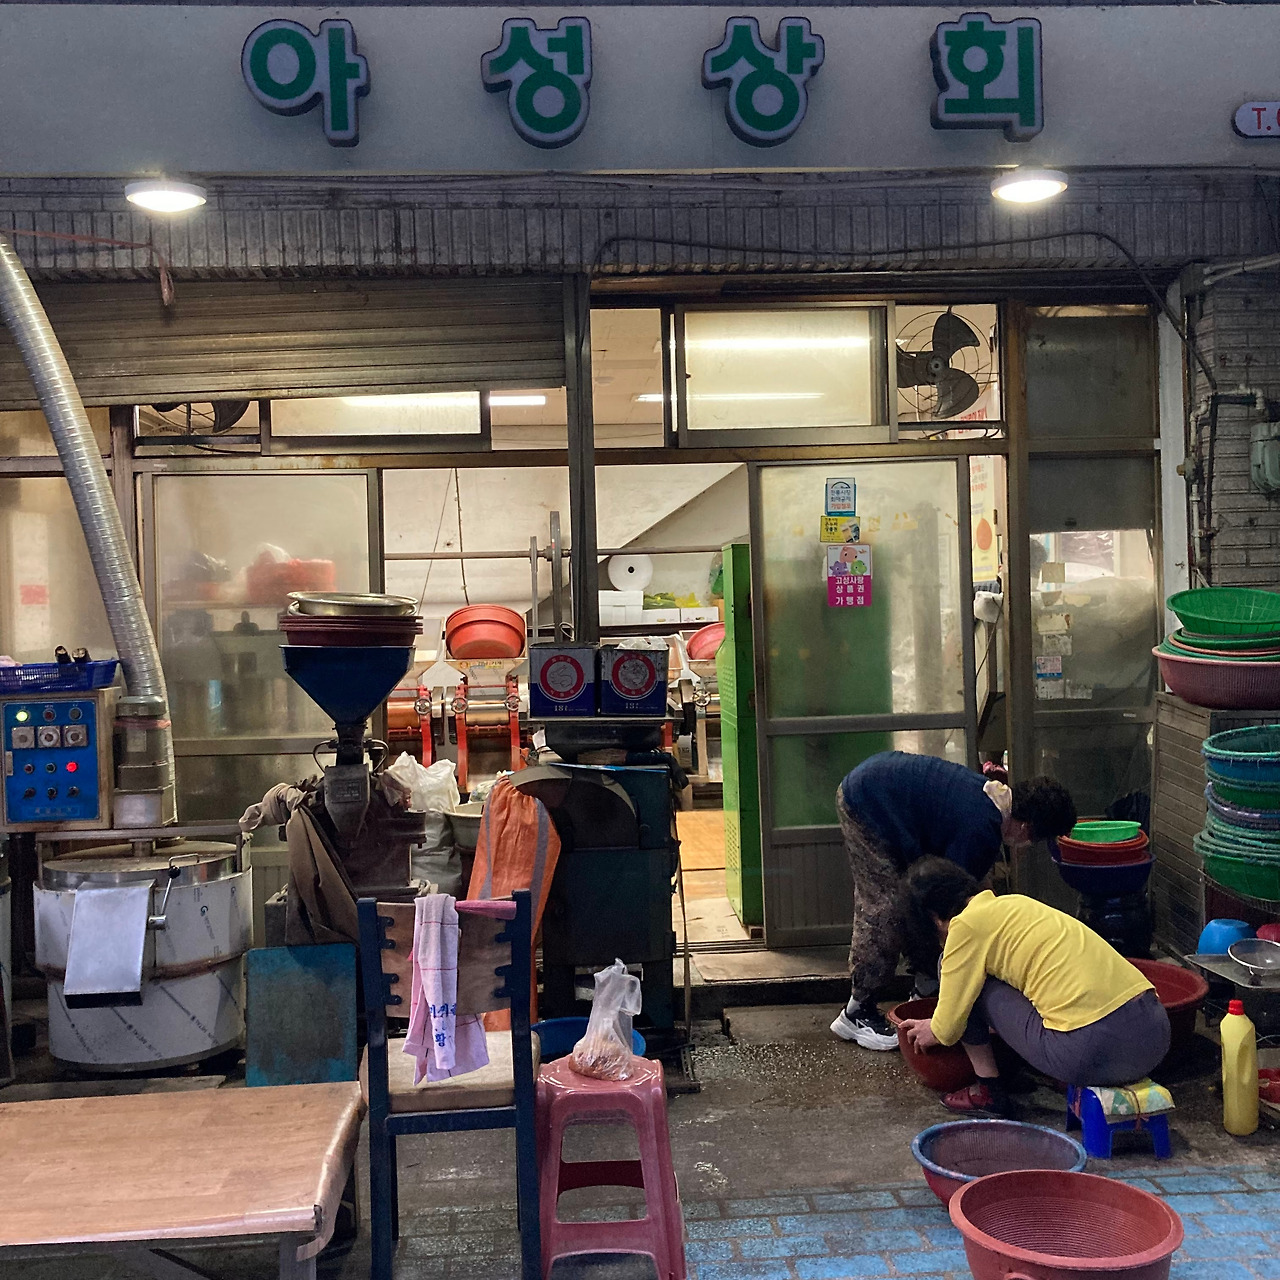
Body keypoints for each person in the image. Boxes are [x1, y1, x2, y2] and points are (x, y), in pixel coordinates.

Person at [830, 751, 1076, 1050]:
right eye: (1036, 840)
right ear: (1027, 828)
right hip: (867, 800)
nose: (1027, 845)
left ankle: (922, 990)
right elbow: (950, 909)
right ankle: (858, 1010)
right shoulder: (981, 828)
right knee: (885, 907)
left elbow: (973, 889)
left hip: (881, 789)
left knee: (915, 903)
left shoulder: (994, 802)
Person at [897, 858, 1170, 1116]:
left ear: (933, 918)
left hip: (1093, 1053)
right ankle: (1015, 1070)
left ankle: (989, 1091)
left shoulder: (964, 928)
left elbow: (947, 1030)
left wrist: (933, 1028)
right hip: (1155, 1036)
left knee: (966, 981)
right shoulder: (1016, 903)